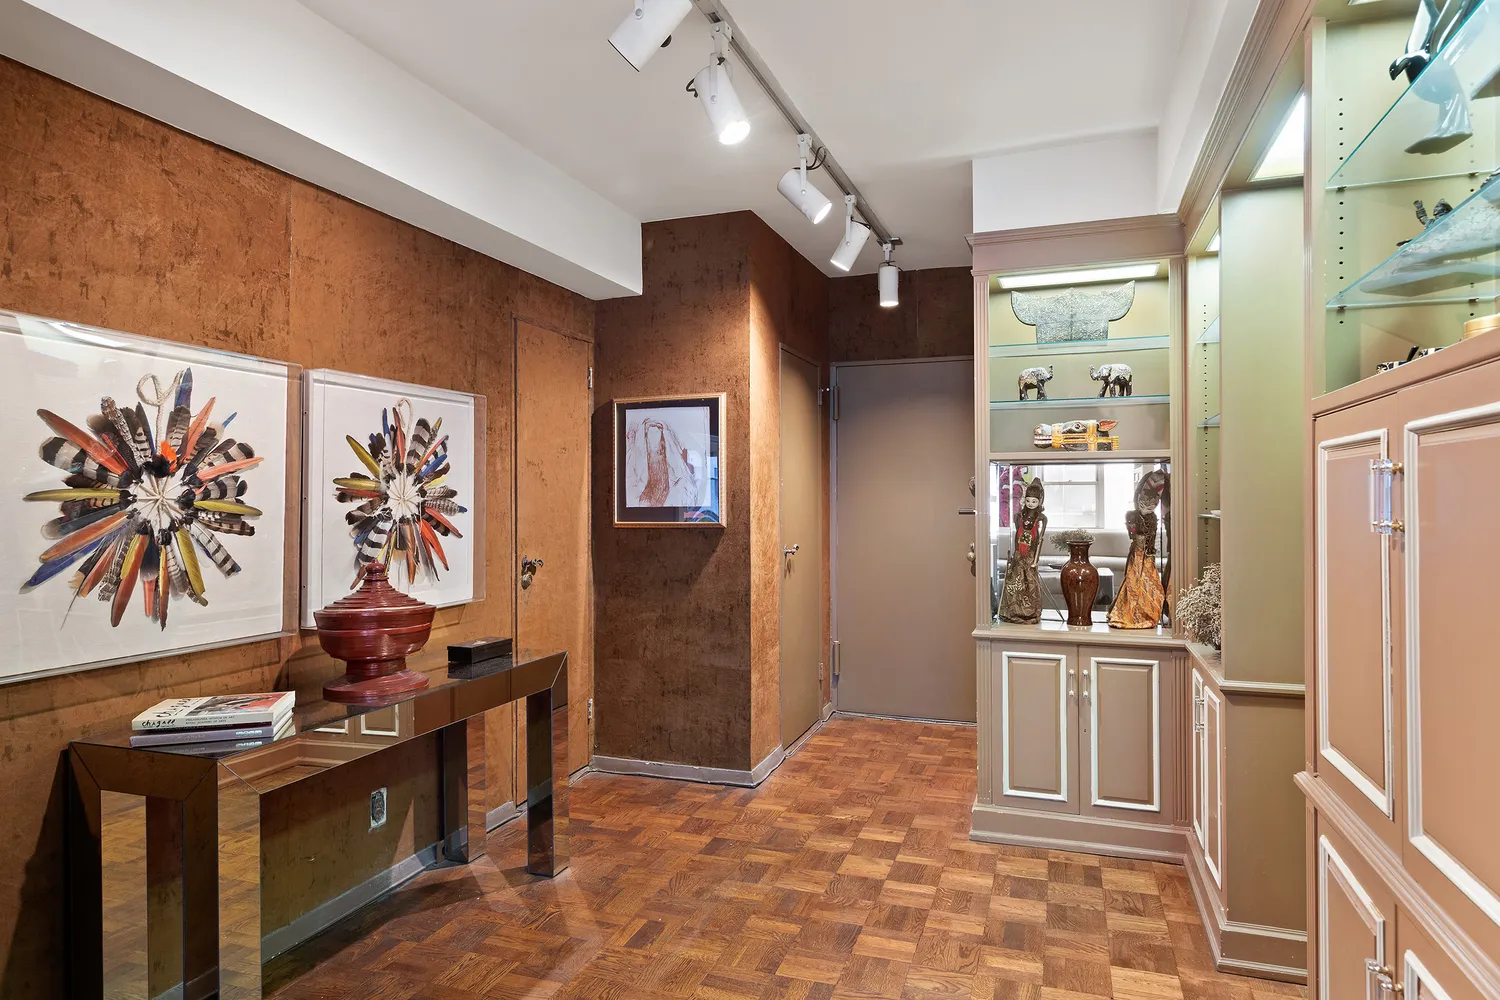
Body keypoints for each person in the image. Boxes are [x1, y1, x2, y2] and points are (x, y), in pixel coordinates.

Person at [1109, 470, 1168, 629]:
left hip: (1148, 555)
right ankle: (1132, 613)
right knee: (1134, 583)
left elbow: (1153, 535)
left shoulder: (1153, 517)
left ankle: (1148, 612)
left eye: (1153, 503)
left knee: (1151, 584)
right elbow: (1133, 534)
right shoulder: (1133, 516)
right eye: (1145, 501)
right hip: (1137, 554)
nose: (1149, 505)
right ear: (1139, 499)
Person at [998, 478, 1047, 624]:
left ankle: (1030, 612)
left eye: (1034, 501)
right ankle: (1012, 611)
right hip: (1019, 554)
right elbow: (1016, 536)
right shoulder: (1018, 516)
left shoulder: (1041, 518)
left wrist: (1036, 560)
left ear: (1039, 502)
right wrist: (1014, 554)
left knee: (1030, 582)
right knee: (1014, 582)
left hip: (1030, 555)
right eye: (1028, 500)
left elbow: (1040, 540)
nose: (1030, 504)